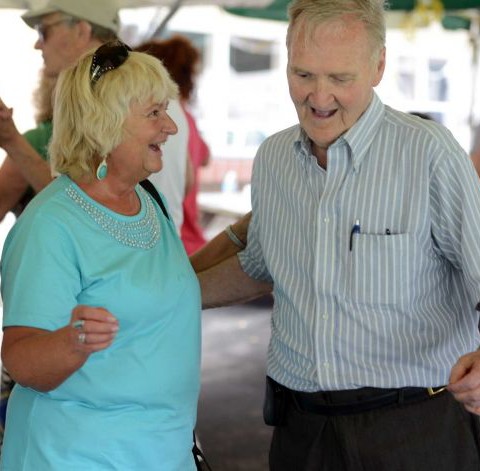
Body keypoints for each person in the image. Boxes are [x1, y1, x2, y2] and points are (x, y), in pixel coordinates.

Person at [198, 0, 480, 469]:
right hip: (301, 431)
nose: (319, 96)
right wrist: (165, 294)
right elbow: (262, 266)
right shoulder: (274, 159)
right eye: (303, 75)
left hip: (414, 429)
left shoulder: (428, 153)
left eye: (340, 78)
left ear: (379, 66)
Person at [0, 40, 203, 470]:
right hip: (76, 457)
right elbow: (20, 358)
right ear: (104, 124)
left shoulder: (149, 201)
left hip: (159, 452)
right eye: (154, 113)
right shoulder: (51, 225)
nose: (170, 127)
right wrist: (73, 341)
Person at [0, 0, 119, 223]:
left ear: (82, 31)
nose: (37, 44)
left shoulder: (39, 141)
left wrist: (14, 142)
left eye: (44, 31)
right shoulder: (147, 107)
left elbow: (98, 218)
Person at [135, 36, 211, 254]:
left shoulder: (169, 119)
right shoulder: (187, 120)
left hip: (172, 242)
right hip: (184, 240)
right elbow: (203, 160)